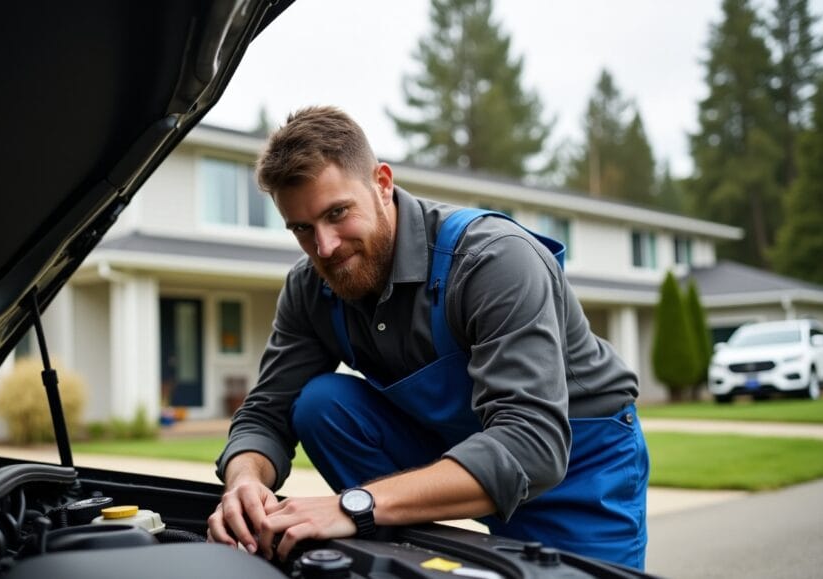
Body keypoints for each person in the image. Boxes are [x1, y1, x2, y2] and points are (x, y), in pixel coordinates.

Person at [207, 106, 649, 570]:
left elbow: (531, 443)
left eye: (337, 213)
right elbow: (266, 413)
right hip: (449, 457)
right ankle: (406, 549)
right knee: (322, 404)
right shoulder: (310, 287)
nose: (325, 246)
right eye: (302, 228)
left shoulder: (492, 260)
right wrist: (244, 481)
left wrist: (354, 505)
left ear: (381, 184)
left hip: (577, 464)